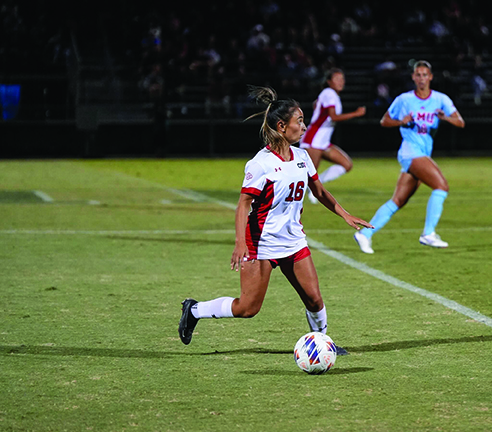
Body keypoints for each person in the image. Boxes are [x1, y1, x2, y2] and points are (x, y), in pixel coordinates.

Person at [178, 86, 373, 349]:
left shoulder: (303, 157)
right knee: (248, 308)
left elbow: (320, 191)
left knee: (314, 299)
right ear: (282, 126)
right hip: (261, 244)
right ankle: (194, 310)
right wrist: (240, 242)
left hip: (293, 241)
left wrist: (345, 214)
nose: (304, 127)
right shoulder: (261, 164)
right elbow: (242, 204)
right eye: (300, 121)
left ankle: (324, 344)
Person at [353, 60, 465, 254]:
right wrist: (400, 121)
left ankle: (365, 234)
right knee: (441, 186)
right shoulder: (404, 99)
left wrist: (444, 117)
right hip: (410, 152)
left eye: (425, 75)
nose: (421, 78)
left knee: (398, 201)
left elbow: (460, 122)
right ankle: (428, 233)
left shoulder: (440, 99)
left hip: (422, 153)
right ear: (413, 77)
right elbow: (385, 121)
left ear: (430, 77)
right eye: (418, 75)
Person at [300, 68, 366, 204]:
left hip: (322, 141)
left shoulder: (330, 94)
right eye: (337, 79)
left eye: (342, 79)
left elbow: (316, 106)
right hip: (314, 139)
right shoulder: (329, 93)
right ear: (329, 82)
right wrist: (356, 113)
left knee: (346, 164)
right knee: (308, 174)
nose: (341, 82)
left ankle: (315, 189)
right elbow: (333, 117)